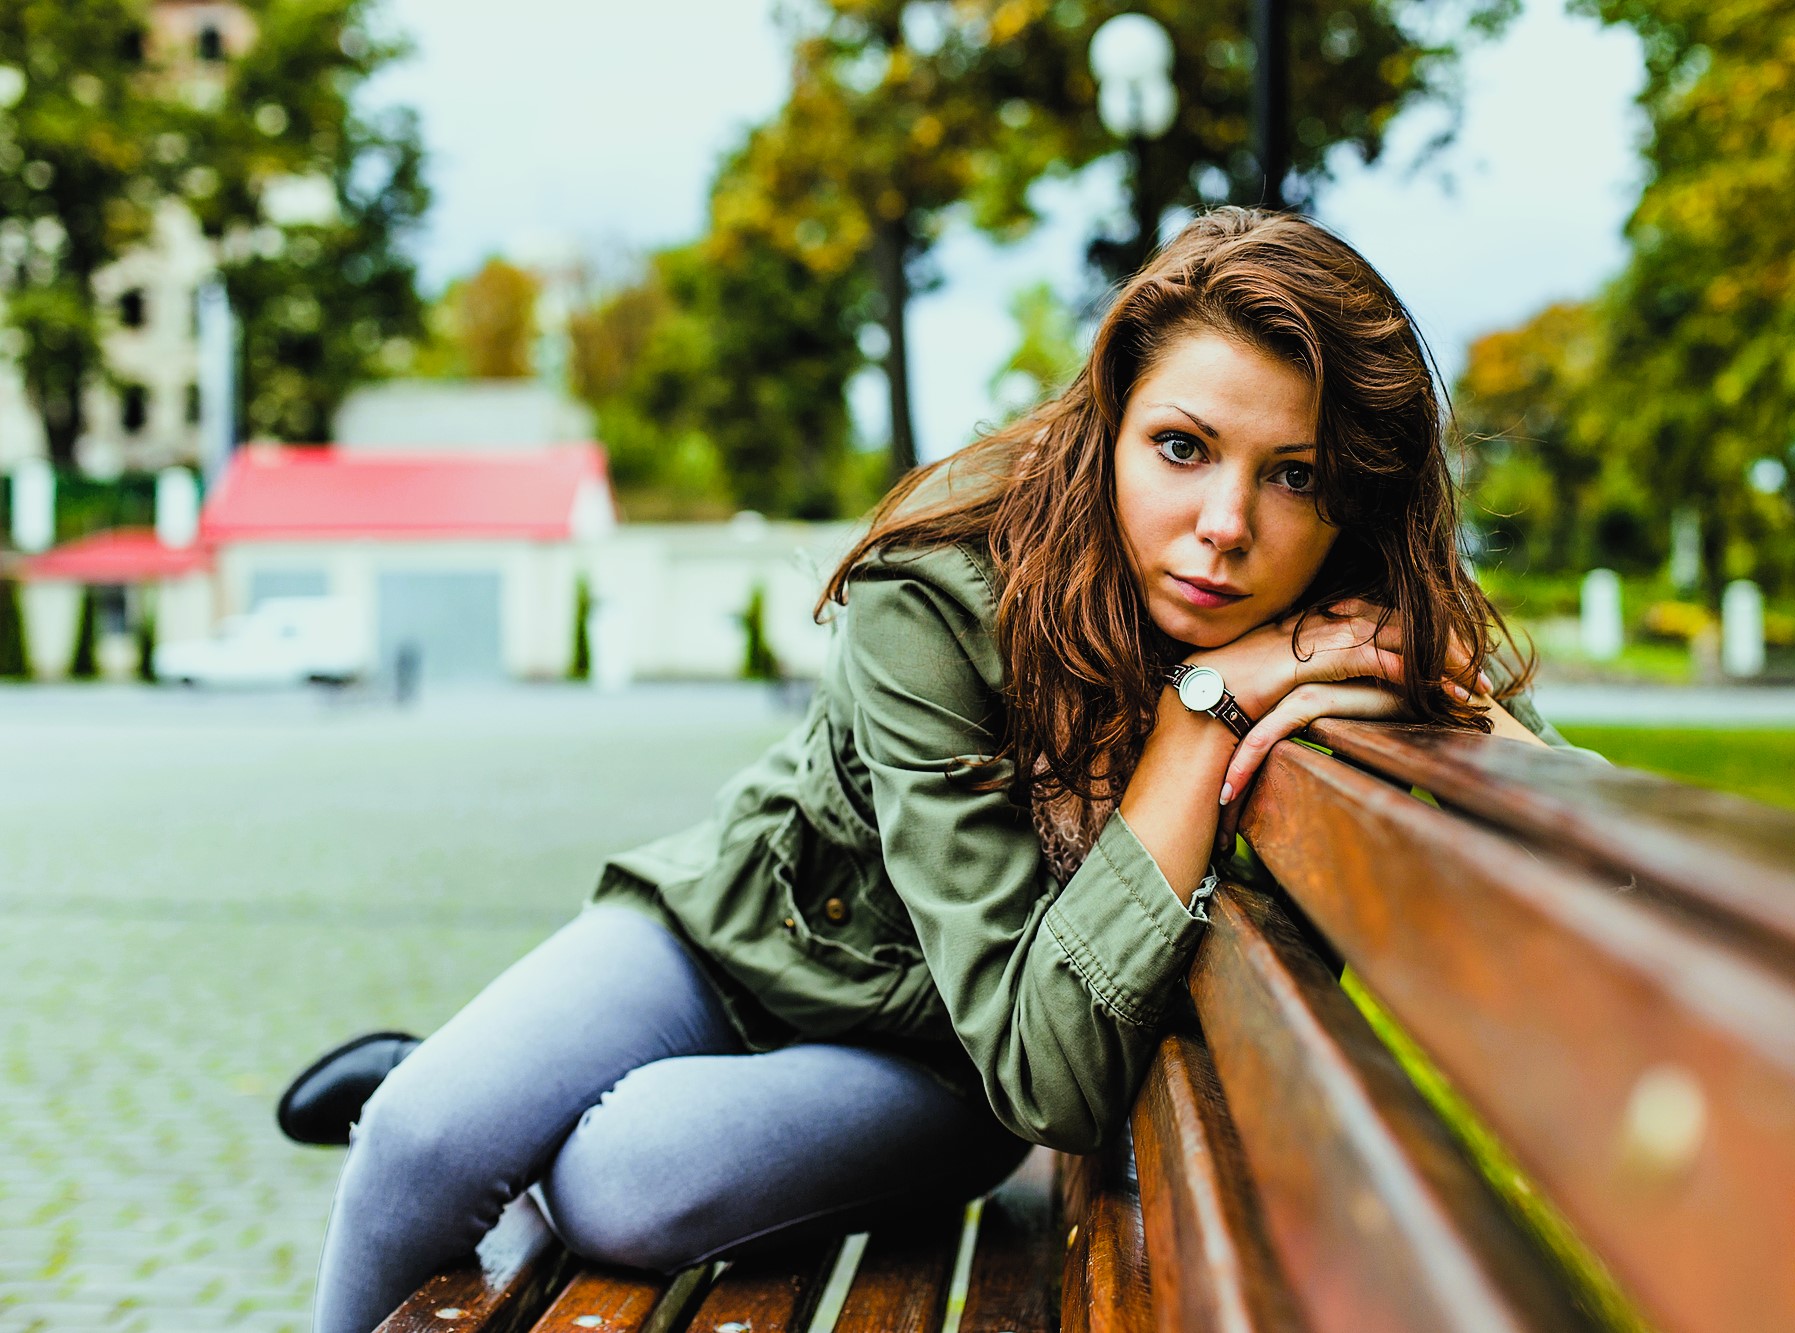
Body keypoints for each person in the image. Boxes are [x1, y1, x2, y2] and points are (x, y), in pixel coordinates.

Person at [297, 206, 1566, 1333]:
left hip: (952, 1059)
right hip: (748, 932)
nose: (1226, 525)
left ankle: (513, 1093)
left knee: (614, 1183)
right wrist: (1209, 704)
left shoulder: (1336, 630)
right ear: (1110, 423)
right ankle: (465, 1076)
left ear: (1349, 498)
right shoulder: (946, 586)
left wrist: (1221, 718)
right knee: (422, 1135)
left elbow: (1044, 1070)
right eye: (1182, 447)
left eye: (1291, 476)